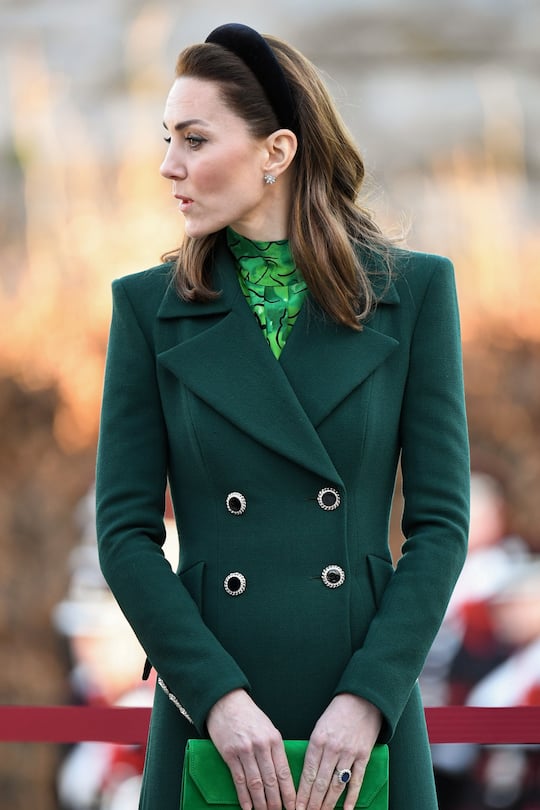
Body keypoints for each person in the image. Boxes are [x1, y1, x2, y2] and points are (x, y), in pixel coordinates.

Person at [95, 22, 470, 810]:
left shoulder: (415, 294)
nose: (169, 166)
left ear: (278, 151)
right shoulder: (145, 309)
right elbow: (124, 535)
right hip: (212, 714)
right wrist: (215, 699)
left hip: (360, 711)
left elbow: (440, 526)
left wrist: (369, 697)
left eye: (194, 139)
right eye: (168, 139)